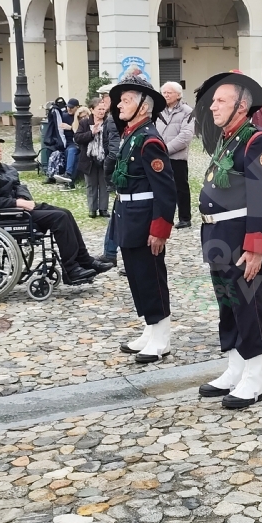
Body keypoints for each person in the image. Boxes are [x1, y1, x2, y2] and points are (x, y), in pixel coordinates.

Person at [193, 71, 262, 410]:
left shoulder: (256, 141)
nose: (212, 106)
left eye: (220, 101)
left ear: (241, 107)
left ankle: (256, 376)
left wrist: (255, 247)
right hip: (217, 235)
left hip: (240, 237)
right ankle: (235, 367)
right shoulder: (228, 138)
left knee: (247, 305)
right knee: (227, 304)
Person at [0, 133, 108, 285]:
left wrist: (23, 200)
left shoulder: (3, 168)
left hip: (18, 209)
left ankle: (85, 260)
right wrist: (17, 203)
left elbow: (18, 186)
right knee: (59, 218)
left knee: (65, 212)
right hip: (1, 215)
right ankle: (71, 269)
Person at [106, 76, 178, 363]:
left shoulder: (149, 140)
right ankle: (150, 329)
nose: (119, 105)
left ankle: (162, 338)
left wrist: (160, 228)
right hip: (128, 216)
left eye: (126, 100)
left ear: (143, 107)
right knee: (137, 277)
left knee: (151, 277)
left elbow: (166, 188)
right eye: (120, 100)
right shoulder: (131, 134)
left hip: (145, 219)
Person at [157, 82, 195, 229]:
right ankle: (164, 217)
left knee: (181, 187)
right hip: (159, 156)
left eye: (169, 93)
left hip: (176, 156)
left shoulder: (187, 111)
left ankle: (185, 218)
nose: (166, 95)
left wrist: (165, 149)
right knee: (161, 188)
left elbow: (186, 136)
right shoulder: (159, 110)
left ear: (178, 95)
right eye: (164, 92)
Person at [75, 99, 113, 218]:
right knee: (91, 185)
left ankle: (103, 209)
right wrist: (92, 133)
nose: (102, 111)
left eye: (103, 109)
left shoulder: (108, 122)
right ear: (92, 110)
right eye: (99, 109)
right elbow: (78, 138)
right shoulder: (85, 123)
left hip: (104, 158)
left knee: (104, 184)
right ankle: (92, 209)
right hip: (89, 158)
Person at [42, 96, 72, 183]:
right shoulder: (61, 113)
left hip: (68, 141)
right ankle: (52, 174)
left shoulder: (63, 114)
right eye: (68, 107)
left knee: (67, 151)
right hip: (61, 140)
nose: (69, 109)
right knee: (51, 151)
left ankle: (63, 174)